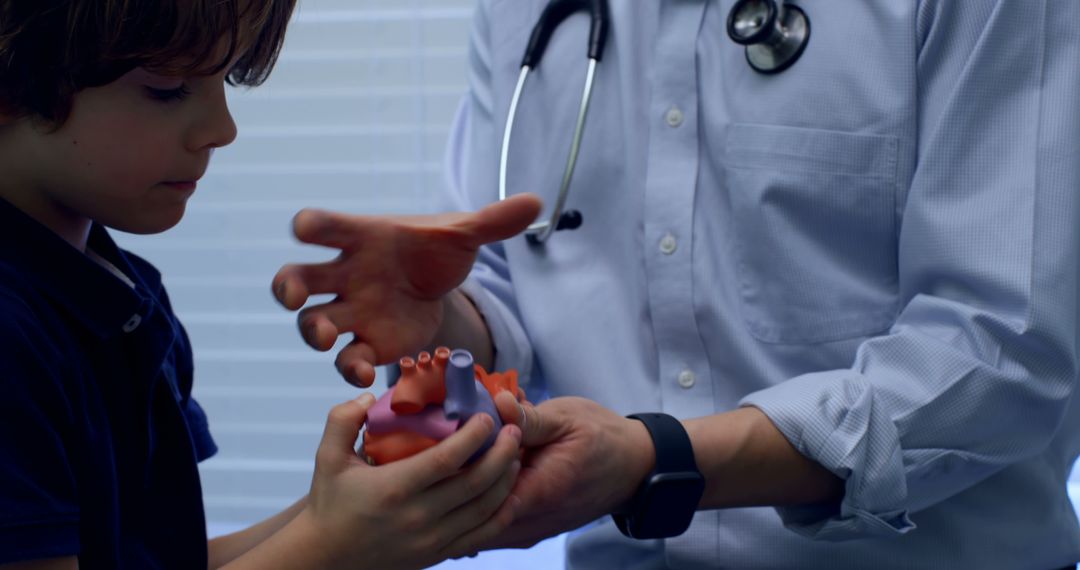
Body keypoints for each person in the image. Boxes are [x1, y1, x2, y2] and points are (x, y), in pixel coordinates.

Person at [273, 0, 1080, 568]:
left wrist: (656, 460)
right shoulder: (522, 11)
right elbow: (520, 281)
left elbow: (998, 348)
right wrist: (443, 319)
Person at [0, 1, 526, 568]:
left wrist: (376, 499)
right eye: (168, 88)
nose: (222, 129)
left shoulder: (124, 301)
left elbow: (158, 559)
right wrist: (334, 548)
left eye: (223, 79)